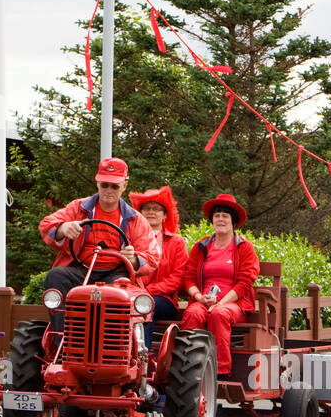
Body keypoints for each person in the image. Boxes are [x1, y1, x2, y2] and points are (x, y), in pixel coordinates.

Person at [38, 157, 159, 330]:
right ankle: (63, 339)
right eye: (105, 185)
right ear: (97, 183)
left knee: (121, 292)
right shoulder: (78, 207)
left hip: (116, 274)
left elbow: (152, 256)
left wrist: (132, 258)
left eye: (115, 186)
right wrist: (63, 228)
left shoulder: (135, 219)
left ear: (124, 186)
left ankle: (114, 345)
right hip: (81, 270)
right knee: (56, 276)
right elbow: (46, 224)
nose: (109, 190)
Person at [180, 193, 259, 376]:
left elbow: (245, 282)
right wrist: (199, 297)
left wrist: (221, 302)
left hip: (233, 304)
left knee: (218, 314)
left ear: (234, 221)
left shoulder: (244, 247)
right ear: (212, 220)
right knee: (192, 313)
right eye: (217, 215)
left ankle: (220, 370)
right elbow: (189, 278)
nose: (220, 219)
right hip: (204, 301)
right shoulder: (201, 246)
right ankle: (189, 369)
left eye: (225, 215)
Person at [129, 185, 188, 348]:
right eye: (146, 208)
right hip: (132, 297)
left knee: (146, 305)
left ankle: (143, 358)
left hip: (164, 300)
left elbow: (177, 278)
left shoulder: (176, 242)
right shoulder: (129, 239)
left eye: (156, 209)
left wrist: (148, 292)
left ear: (165, 215)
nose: (151, 212)